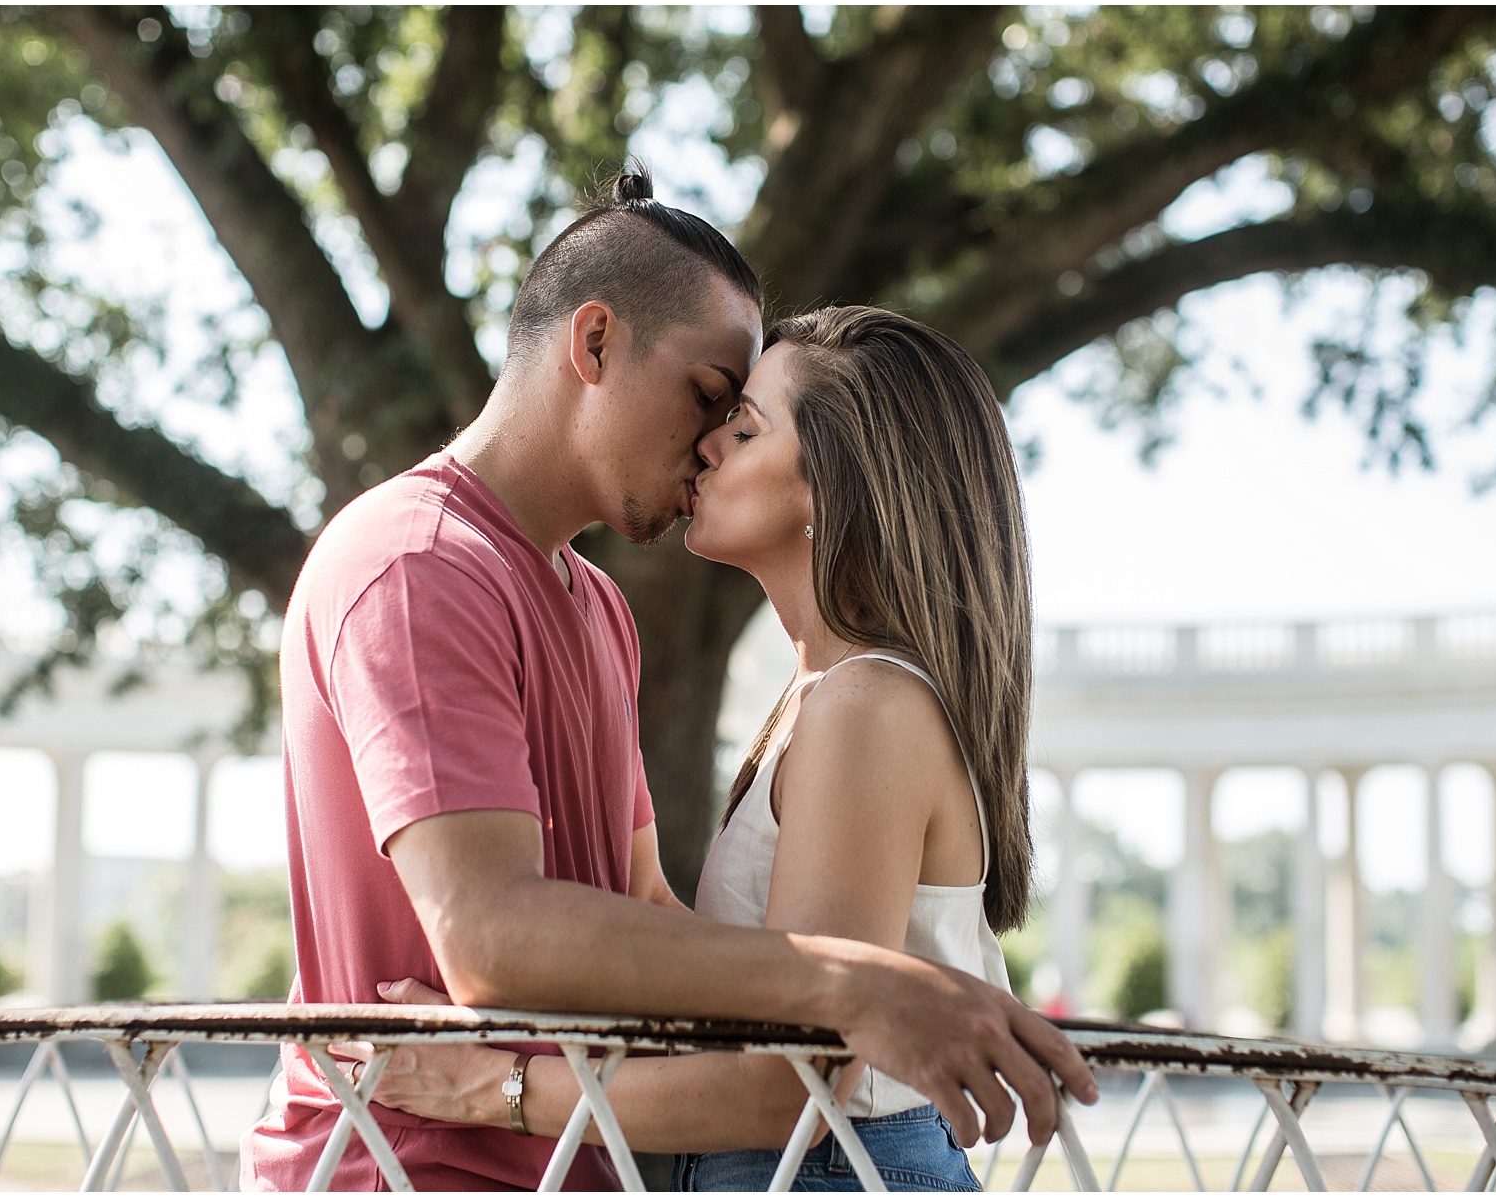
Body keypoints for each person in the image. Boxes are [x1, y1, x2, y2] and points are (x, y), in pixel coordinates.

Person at [239, 172, 1095, 1192]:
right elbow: (491, 933)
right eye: (707, 398)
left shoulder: (601, 611)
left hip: (575, 1163)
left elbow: (638, 899)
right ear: (593, 343)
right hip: (408, 1166)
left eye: (739, 423)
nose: (706, 444)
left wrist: (840, 1002)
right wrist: (850, 984)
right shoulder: (418, 561)